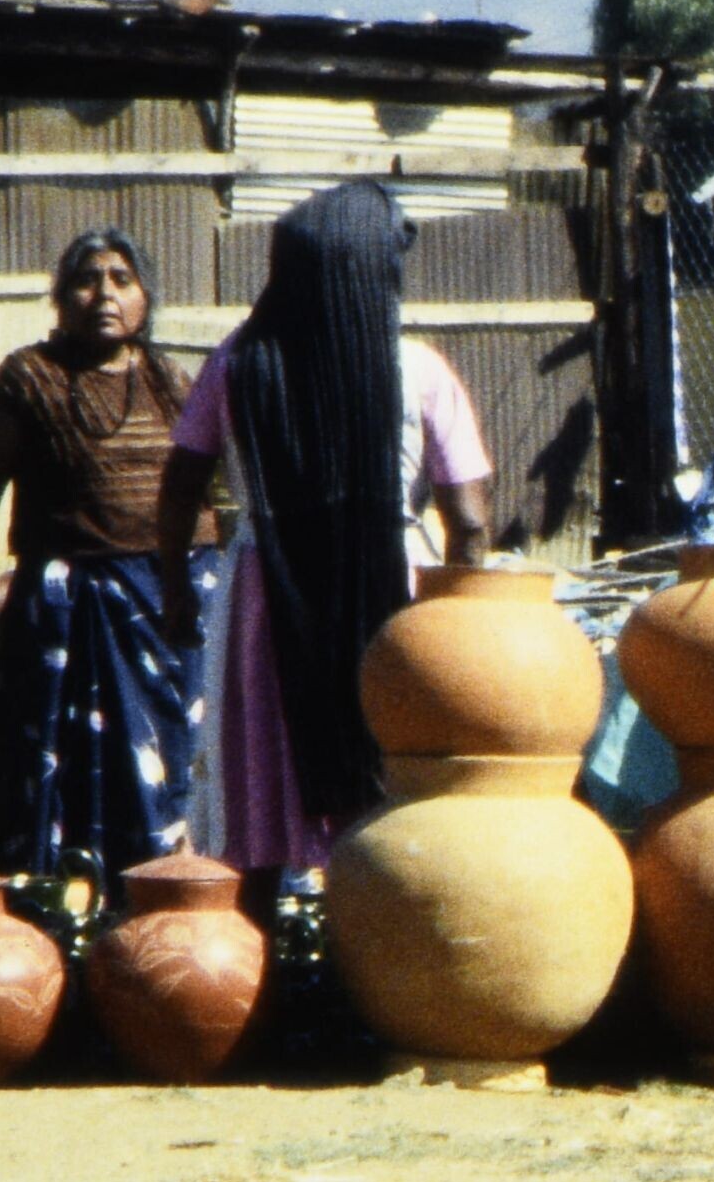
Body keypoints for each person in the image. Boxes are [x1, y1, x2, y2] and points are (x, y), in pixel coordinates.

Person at [151, 182, 491, 878]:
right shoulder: (418, 368)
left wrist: (177, 592)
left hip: (265, 595)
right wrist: (460, 624)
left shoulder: (239, 363)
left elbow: (181, 485)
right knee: (388, 763)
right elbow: (471, 521)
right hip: (391, 583)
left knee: (263, 765)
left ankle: (253, 932)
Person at [0, 230, 204, 876]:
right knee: (67, 778)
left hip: (171, 602)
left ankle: (165, 896)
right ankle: (66, 903)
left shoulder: (171, 381)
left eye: (122, 279)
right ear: (61, 299)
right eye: (87, 280)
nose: (105, 294)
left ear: (146, 297)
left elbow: (214, 494)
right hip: (72, 610)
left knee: (175, 765)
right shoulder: (29, 376)